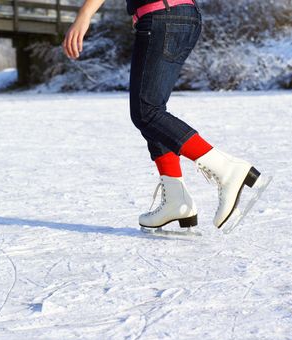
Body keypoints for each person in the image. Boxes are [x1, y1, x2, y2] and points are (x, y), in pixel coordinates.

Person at [63, 0, 265, 232]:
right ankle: (176, 200)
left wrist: (84, 14)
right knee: (153, 110)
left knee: (146, 111)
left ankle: (228, 169)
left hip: (161, 15)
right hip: (183, 16)